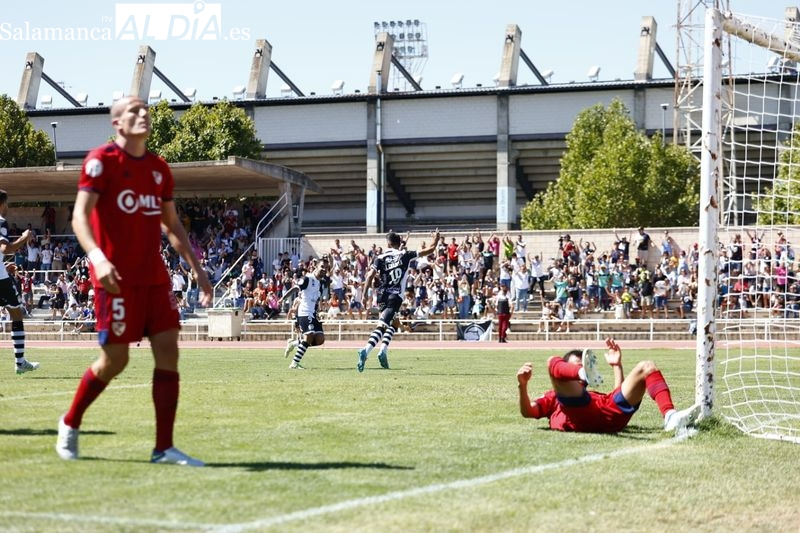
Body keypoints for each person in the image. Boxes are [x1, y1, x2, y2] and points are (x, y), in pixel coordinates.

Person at [55, 96, 213, 466]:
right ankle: (70, 422)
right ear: (117, 123)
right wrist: (98, 258)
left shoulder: (160, 168)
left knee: (169, 352)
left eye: (146, 111)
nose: (143, 116)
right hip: (115, 279)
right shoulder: (100, 162)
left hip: (154, 278)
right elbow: (80, 217)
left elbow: (171, 224)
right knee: (115, 360)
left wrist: (197, 268)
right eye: (133, 112)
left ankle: (163, 448)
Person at [516, 337, 700, 433]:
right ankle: (578, 373)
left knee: (647, 366)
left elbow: (617, 395)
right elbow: (528, 412)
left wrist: (616, 365)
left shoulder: (594, 395)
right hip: (578, 414)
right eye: (576, 365)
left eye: (582, 366)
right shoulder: (553, 398)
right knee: (551, 362)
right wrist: (523, 387)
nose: (579, 365)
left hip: (607, 413)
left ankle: (670, 417)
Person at [357, 229, 441, 372]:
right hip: (395, 297)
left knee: (395, 323)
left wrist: (364, 295)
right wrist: (436, 239)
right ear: (399, 243)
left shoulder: (380, 257)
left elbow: (370, 275)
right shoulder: (405, 255)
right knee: (382, 325)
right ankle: (366, 350)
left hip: (382, 295)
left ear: (388, 243)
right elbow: (431, 249)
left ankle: (383, 351)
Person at [0, 191, 39, 375]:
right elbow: (6, 248)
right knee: (16, 314)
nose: (7, 208)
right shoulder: (0, 221)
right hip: (1, 281)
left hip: (2, 273)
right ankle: (20, 362)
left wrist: (3, 265)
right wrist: (24, 237)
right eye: (7, 204)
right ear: (2, 204)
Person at [279, 257, 328, 369]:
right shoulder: (308, 279)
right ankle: (294, 364)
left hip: (312, 314)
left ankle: (294, 343)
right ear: (316, 266)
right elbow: (295, 288)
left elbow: (315, 299)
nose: (324, 269)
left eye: (326, 268)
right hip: (304, 312)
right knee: (309, 336)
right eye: (322, 267)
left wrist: (319, 311)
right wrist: (283, 298)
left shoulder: (320, 283)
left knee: (320, 339)